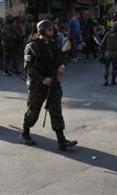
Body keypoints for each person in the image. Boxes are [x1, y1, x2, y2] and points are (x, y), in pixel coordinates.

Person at [20, 20, 77, 150]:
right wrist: (41, 79)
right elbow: (28, 67)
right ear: (42, 30)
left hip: (53, 82)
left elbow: (61, 59)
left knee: (56, 110)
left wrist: (61, 66)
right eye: (49, 29)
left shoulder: (54, 44)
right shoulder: (32, 46)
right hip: (37, 84)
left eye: (52, 29)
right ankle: (25, 132)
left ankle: (61, 140)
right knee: (33, 111)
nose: (52, 31)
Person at [100, 21, 117, 86]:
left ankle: (106, 81)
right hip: (116, 53)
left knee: (106, 67)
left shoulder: (108, 33)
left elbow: (102, 44)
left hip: (108, 52)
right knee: (114, 67)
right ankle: (113, 80)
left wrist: (102, 52)